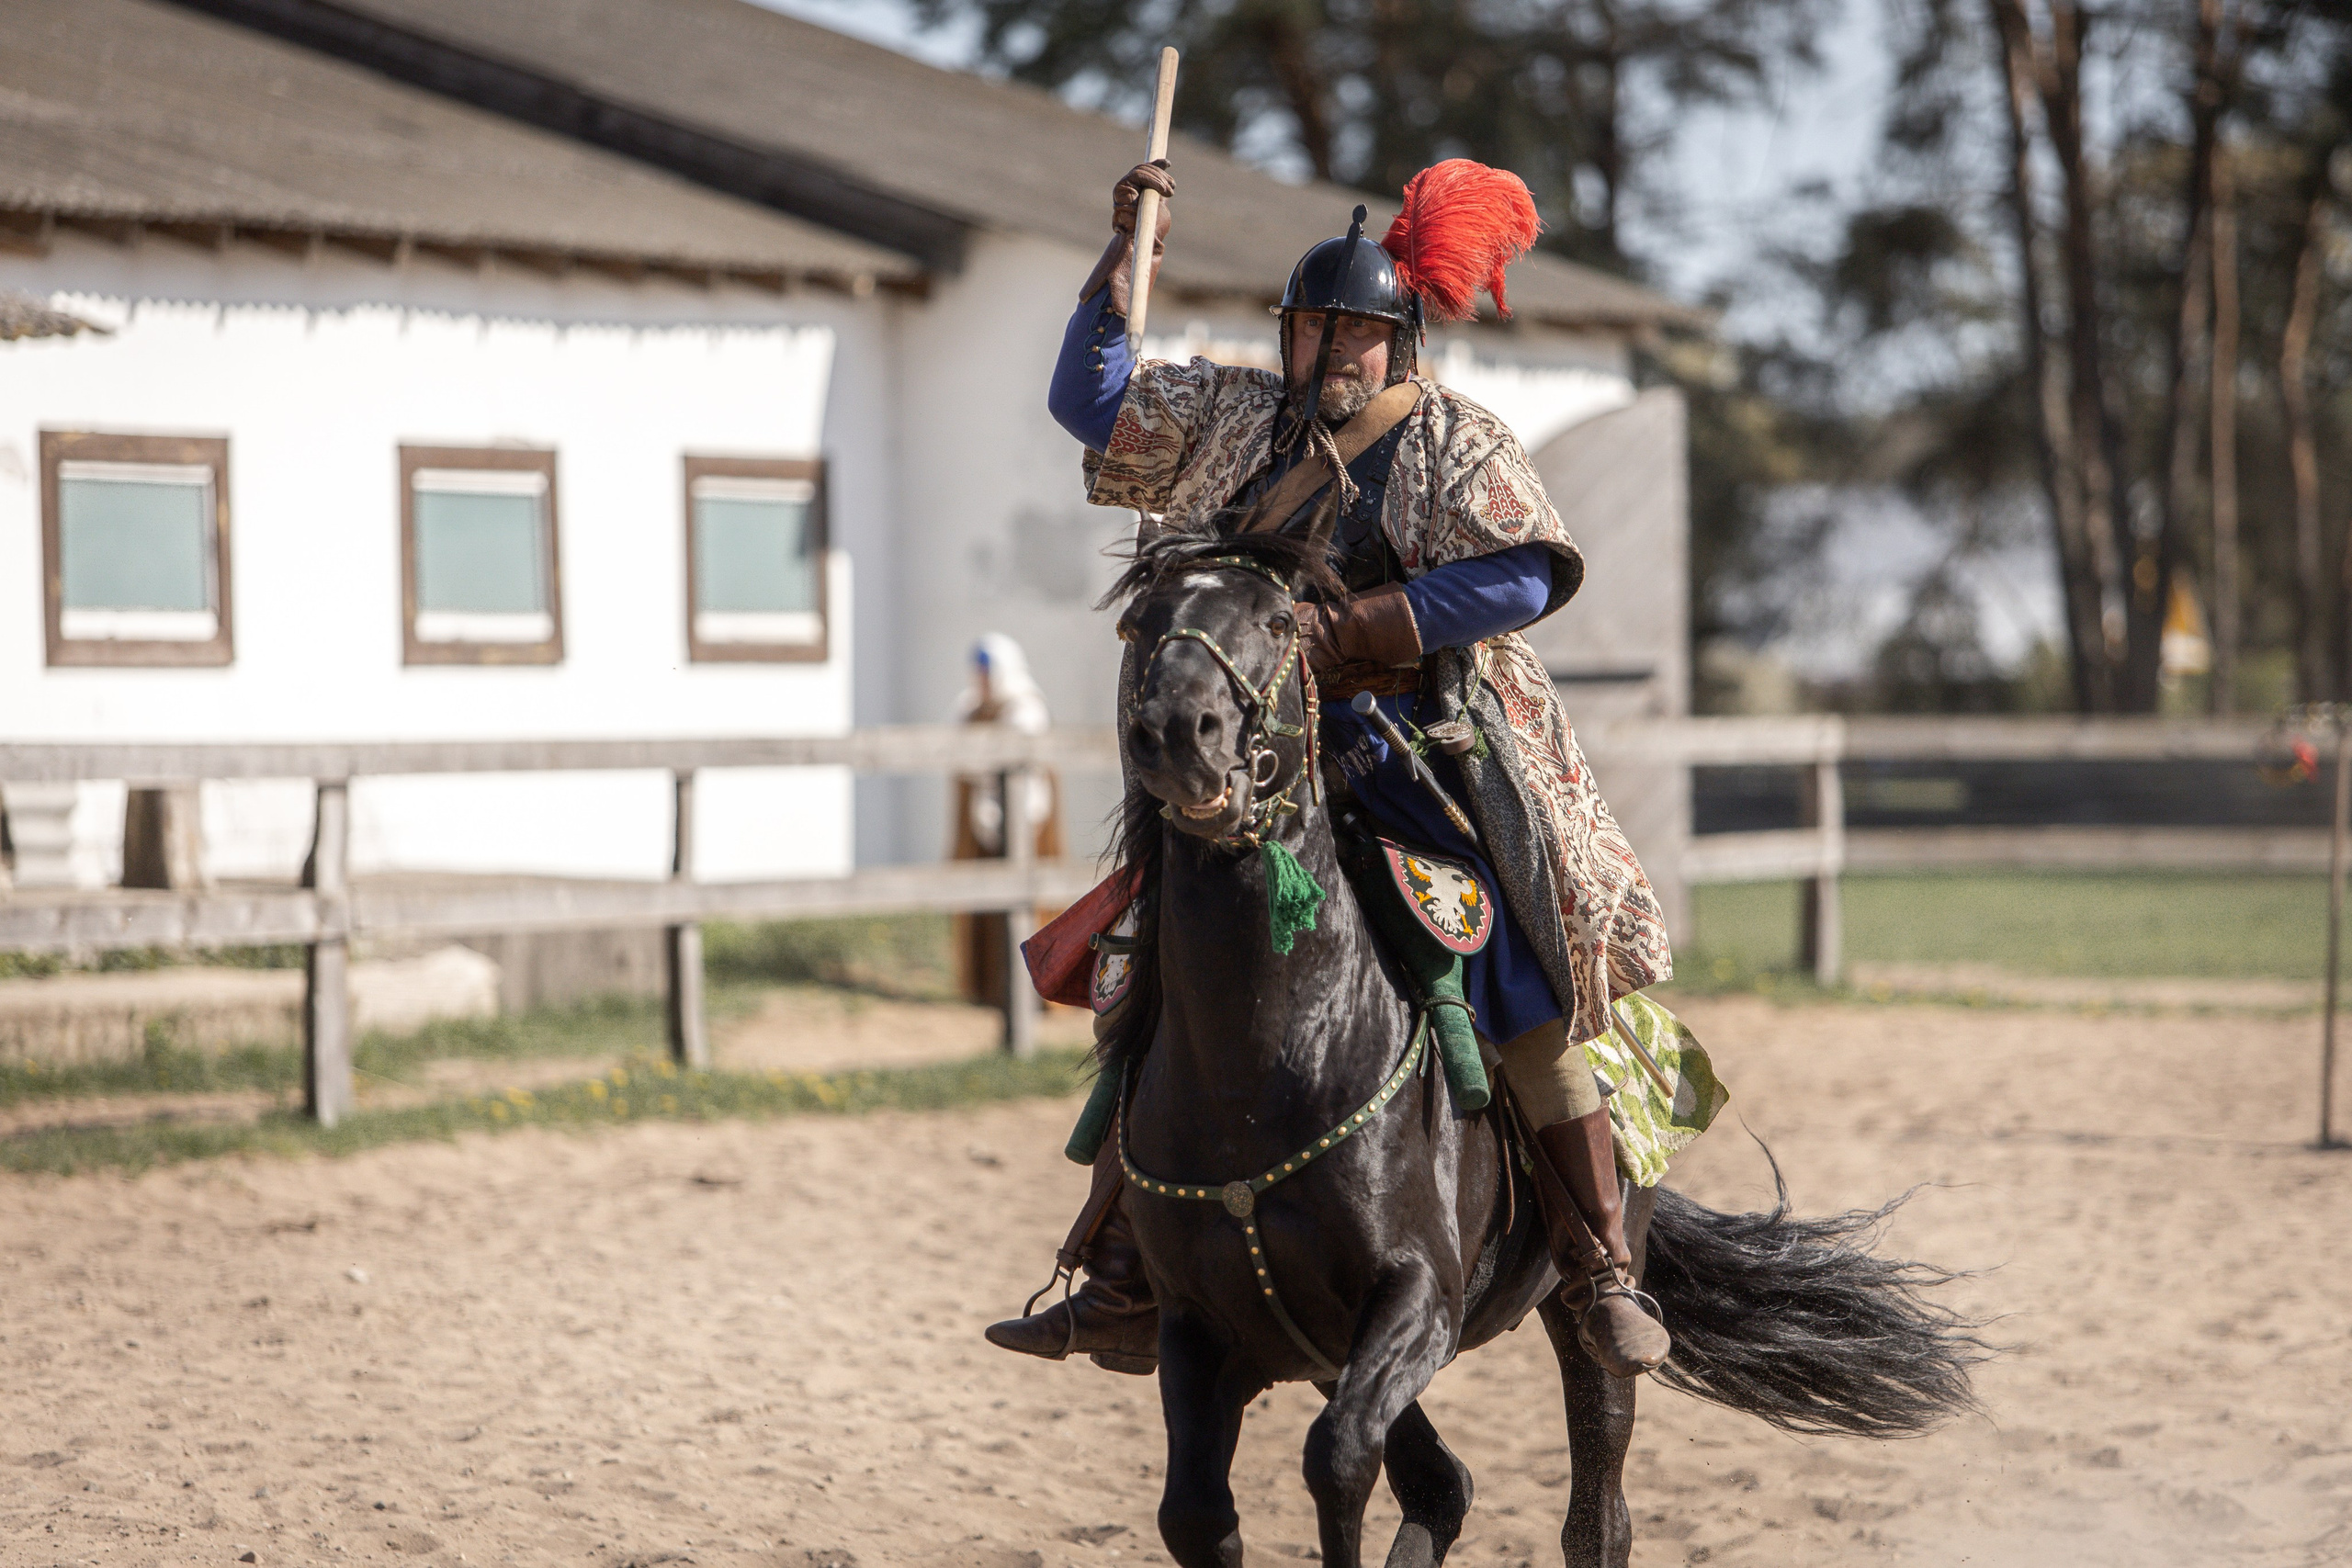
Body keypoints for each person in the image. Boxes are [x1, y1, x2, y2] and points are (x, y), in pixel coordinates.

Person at [985, 158, 1675, 1380]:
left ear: (1397, 340)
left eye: (1355, 330)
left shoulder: (1457, 437)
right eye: (1313, 326)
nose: (1331, 349)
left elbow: (1523, 573)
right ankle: (1123, 1259)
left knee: (1516, 974)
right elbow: (1087, 403)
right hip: (1254, 757)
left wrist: (1354, 631)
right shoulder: (1237, 416)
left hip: (1408, 753)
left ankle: (1602, 1259)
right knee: (1147, 971)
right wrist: (1119, 257)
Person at [949, 634, 1064, 1009]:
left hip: (1026, 820)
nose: (981, 681)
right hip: (979, 820)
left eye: (987, 673)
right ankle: (986, 988)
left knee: (1026, 904)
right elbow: (957, 750)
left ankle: (1032, 995)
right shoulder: (972, 707)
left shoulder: (1024, 708)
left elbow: (1016, 765)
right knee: (985, 906)